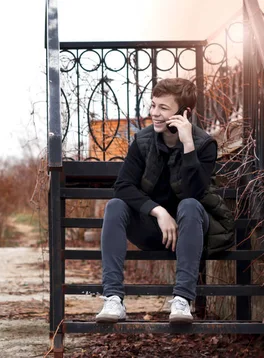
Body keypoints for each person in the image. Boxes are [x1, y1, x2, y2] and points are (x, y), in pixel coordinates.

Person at [95, 77, 235, 324]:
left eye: (163, 108)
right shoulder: (143, 141)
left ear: (184, 113)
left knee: (190, 205)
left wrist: (188, 144)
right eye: (153, 105)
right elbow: (122, 186)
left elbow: (195, 192)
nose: (155, 114)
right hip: (153, 230)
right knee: (115, 205)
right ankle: (113, 298)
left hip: (189, 230)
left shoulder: (204, 145)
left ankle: (182, 300)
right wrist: (159, 212)